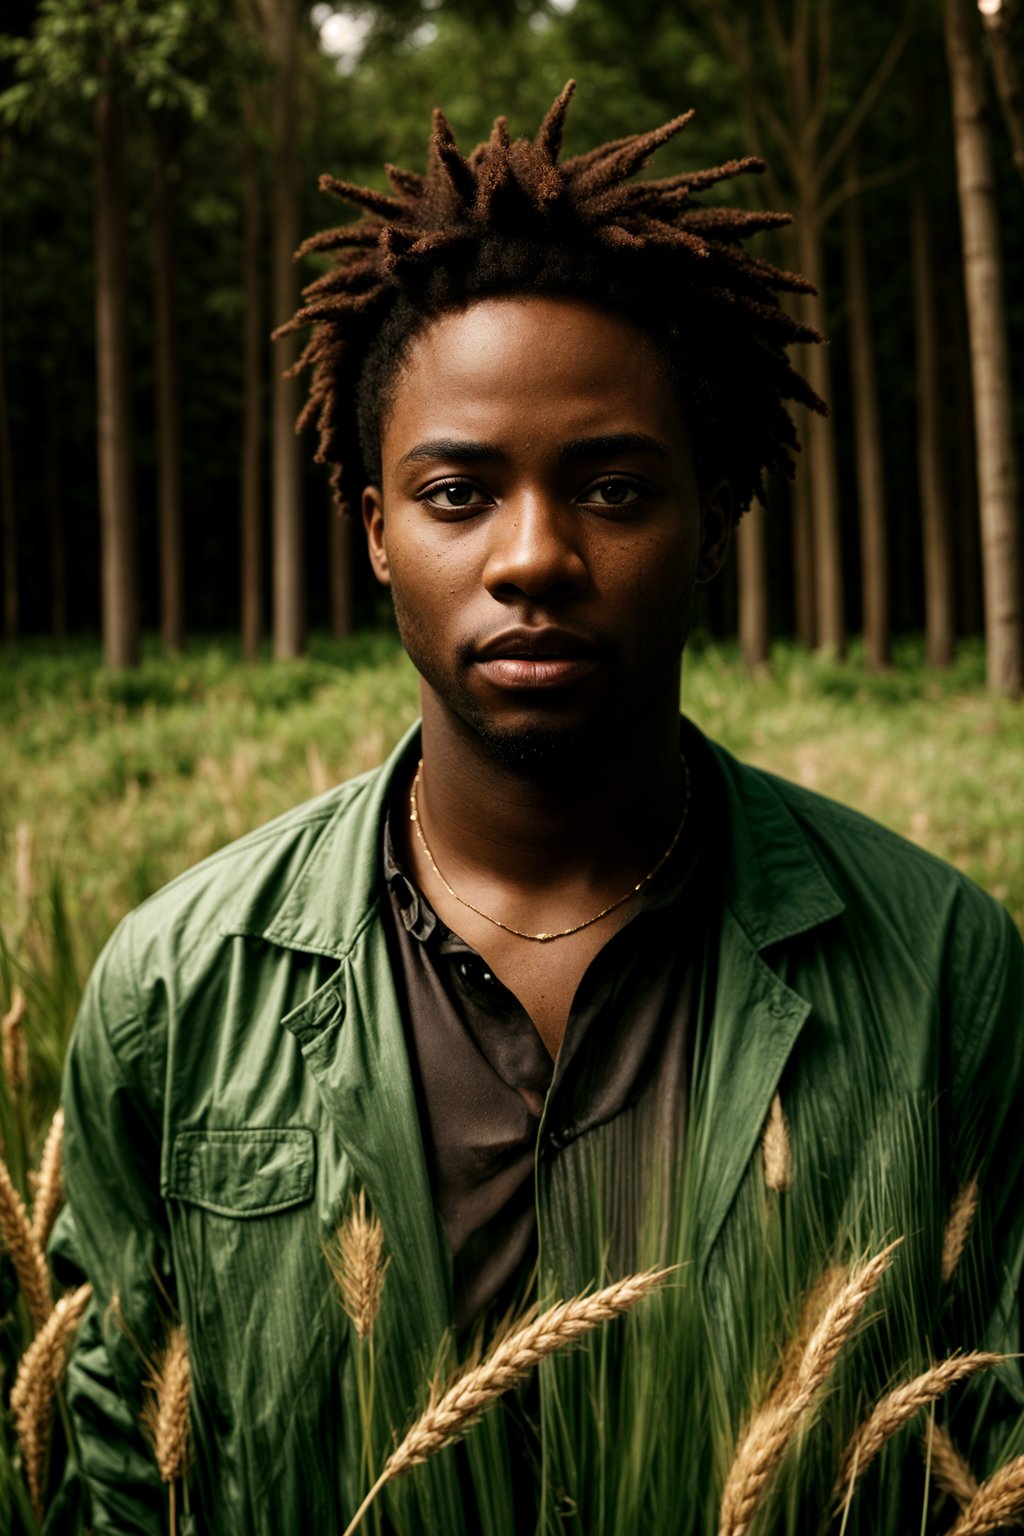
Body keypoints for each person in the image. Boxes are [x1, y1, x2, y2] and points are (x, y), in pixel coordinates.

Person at [56, 84, 1023, 1536]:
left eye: (616, 489)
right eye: (457, 494)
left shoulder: (943, 969)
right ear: (376, 528)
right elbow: (117, 1479)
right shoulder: (174, 989)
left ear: (715, 519)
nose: (534, 557)